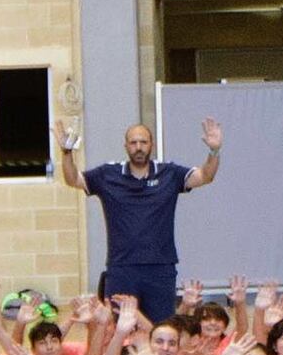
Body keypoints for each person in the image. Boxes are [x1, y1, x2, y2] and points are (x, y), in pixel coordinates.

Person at [58, 115, 222, 320]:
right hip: (121, 268)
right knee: (120, 328)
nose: (138, 147)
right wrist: (66, 152)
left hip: (161, 268)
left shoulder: (169, 173)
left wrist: (214, 150)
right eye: (133, 142)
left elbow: (205, 176)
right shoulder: (108, 174)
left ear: (151, 145)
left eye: (143, 142)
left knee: (161, 328)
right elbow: (73, 179)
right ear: (126, 146)